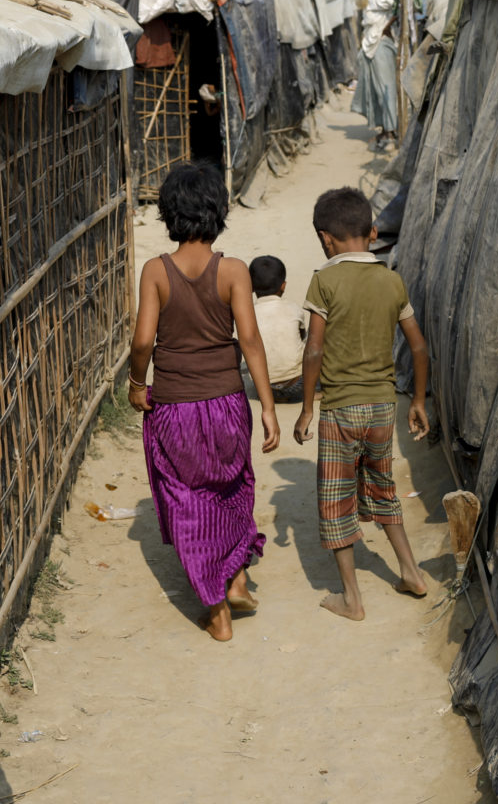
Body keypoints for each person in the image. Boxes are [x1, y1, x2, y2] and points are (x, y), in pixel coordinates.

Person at [128, 161, 281, 641]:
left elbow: (142, 341)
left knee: (186, 499)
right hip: (227, 403)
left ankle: (217, 611)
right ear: (218, 213)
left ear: (169, 213)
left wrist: (137, 383)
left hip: (174, 406)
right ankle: (236, 578)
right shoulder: (234, 270)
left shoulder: (156, 271)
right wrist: (269, 407)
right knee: (233, 485)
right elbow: (251, 341)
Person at [293, 186, 431, 621]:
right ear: (371, 232)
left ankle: (352, 599)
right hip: (380, 407)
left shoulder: (325, 279)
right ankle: (411, 572)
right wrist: (420, 401)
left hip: (340, 409)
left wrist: (307, 407)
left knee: (336, 499)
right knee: (384, 489)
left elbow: (314, 349)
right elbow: (419, 347)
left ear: (325, 238)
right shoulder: (391, 280)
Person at [349, 0, 400, 150]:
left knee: (386, 89)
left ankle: (392, 131)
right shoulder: (363, 0)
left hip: (380, 46)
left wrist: (388, 26)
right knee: (375, 91)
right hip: (370, 47)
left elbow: (398, 5)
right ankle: (385, 129)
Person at [246, 255, 307, 404]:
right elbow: (302, 336)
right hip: (297, 385)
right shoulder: (294, 309)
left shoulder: (248, 314)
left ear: (251, 286)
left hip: (263, 387)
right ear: (283, 285)